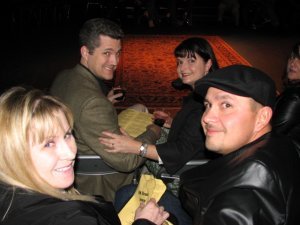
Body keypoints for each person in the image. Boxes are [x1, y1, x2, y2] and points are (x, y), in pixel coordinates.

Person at [0, 87, 169, 225]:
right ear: (13, 151)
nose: (70, 153)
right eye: (48, 144)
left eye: (67, 135)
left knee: (127, 192)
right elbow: (127, 162)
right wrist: (145, 222)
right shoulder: (73, 219)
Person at [99, 37, 219, 225]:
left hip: (181, 174)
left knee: (132, 146)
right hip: (185, 158)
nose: (183, 67)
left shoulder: (206, 104)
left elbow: (181, 151)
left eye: (191, 60)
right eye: (180, 62)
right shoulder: (200, 96)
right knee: (136, 133)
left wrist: (137, 147)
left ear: (208, 64)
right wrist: (174, 122)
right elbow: (194, 133)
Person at [50, 18, 161, 201]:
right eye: (107, 53)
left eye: (118, 53)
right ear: (86, 52)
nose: (115, 61)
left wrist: (106, 102)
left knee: (139, 108)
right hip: (103, 181)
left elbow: (83, 116)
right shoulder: (93, 103)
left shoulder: (65, 76)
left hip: (87, 145)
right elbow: (127, 162)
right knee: (154, 128)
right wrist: (153, 131)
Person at [179, 64, 300, 224]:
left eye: (226, 105)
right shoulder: (283, 142)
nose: (207, 117)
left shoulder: (237, 202)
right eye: (207, 105)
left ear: (262, 118)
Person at [272, 42, 300, 150]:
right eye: (292, 57)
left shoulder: (295, 98)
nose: (293, 63)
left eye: (299, 59)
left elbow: (269, 136)